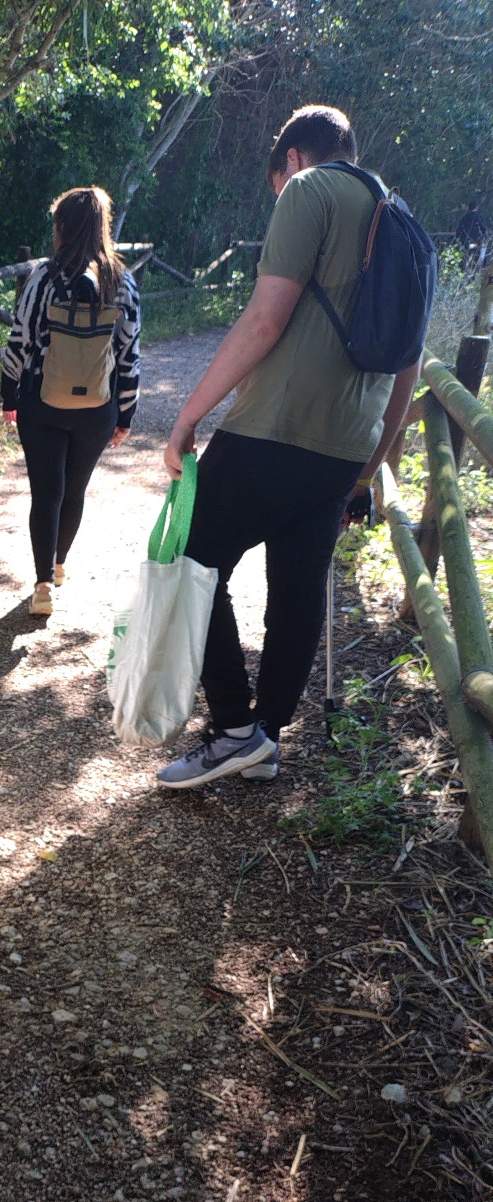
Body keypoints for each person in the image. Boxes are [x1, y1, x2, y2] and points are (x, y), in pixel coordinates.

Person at [155, 105, 420, 789]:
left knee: (189, 561)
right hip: (346, 446)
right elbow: (409, 367)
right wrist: (368, 465)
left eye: (277, 183)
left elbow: (265, 320)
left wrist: (189, 414)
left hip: (272, 428)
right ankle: (264, 737)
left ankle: (234, 729)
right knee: (298, 590)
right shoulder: (401, 220)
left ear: (292, 159)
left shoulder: (308, 190)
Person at [1, 186, 141, 617]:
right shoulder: (122, 281)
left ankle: (42, 585)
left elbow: (20, 339)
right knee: (74, 489)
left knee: (46, 493)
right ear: (102, 227)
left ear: (62, 227)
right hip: (97, 409)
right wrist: (126, 413)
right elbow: (129, 353)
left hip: (41, 403)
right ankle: (59, 565)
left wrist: (9, 395)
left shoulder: (43, 278)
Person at [456, 199, 488, 269]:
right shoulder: (479, 216)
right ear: (476, 207)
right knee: (483, 252)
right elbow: (483, 228)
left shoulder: (464, 217)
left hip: (465, 241)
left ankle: (463, 267)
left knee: (465, 256)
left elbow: (459, 230)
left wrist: (459, 239)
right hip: (476, 241)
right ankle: (481, 267)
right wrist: (485, 236)